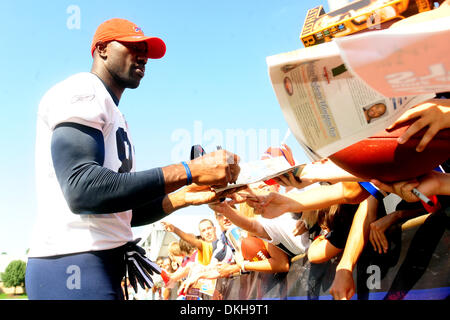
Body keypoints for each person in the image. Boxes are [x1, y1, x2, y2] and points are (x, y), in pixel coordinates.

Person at [26, 18, 241, 300]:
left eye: (146, 51)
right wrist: (190, 169)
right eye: (132, 46)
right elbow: (82, 189)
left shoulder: (115, 113)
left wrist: (186, 195)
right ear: (101, 49)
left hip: (98, 263)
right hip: (71, 264)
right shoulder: (82, 88)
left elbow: (125, 212)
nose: (143, 56)